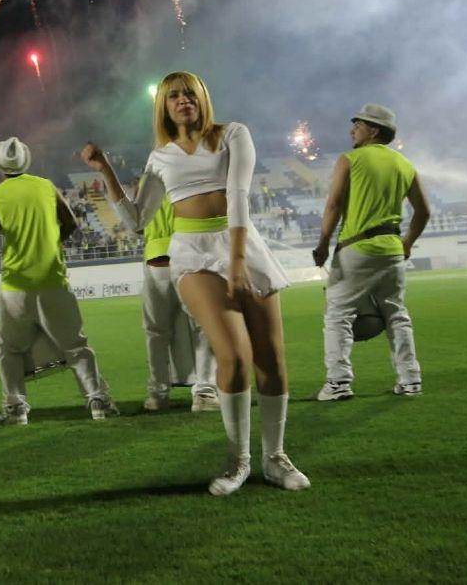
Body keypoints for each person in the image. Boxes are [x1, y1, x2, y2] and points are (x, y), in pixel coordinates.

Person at [82, 71, 309, 496]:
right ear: (163, 108)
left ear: (202, 98)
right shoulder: (160, 157)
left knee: (271, 361)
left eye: (189, 93)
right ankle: (238, 459)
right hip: (192, 252)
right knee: (234, 356)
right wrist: (106, 170)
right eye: (173, 97)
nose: (183, 100)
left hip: (242, 244)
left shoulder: (233, 134)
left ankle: (274, 458)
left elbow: (238, 195)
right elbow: (135, 221)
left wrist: (238, 259)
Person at [0, 137, 119, 425]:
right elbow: (71, 223)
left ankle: (16, 408)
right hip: (53, 280)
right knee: (76, 347)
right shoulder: (46, 186)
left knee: (9, 350)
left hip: (15, 287)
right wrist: (52, 245)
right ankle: (98, 401)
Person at [311, 104, 430, 400]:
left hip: (357, 248)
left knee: (338, 314)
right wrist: (407, 243)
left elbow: (334, 206)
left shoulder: (350, 159)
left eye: (358, 125)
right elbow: (423, 212)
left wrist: (323, 243)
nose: (352, 129)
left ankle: (338, 382)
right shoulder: (404, 164)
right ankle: (410, 379)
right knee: (397, 315)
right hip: (392, 249)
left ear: (373, 130)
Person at [139, 193, 219, 413]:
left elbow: (137, 224)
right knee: (202, 327)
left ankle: (158, 395)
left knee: (156, 332)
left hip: (156, 259)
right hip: (188, 255)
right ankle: (204, 392)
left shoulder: (148, 189)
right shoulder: (188, 185)